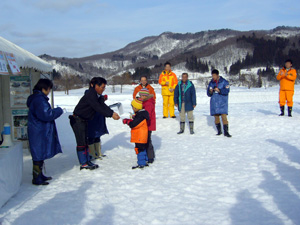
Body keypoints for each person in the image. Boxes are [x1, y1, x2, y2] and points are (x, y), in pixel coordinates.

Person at [70, 77, 120, 170]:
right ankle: (83, 164)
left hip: (84, 120)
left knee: (85, 141)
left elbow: (102, 105)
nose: (103, 89)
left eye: (104, 87)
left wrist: (111, 112)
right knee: (81, 143)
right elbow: (97, 107)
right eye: (102, 87)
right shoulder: (90, 95)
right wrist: (111, 114)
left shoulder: (97, 95)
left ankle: (87, 160)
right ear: (96, 86)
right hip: (77, 120)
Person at [27, 79, 63, 185]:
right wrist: (58, 110)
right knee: (38, 154)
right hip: (39, 130)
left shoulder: (37, 98)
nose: (49, 91)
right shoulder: (39, 100)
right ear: (44, 89)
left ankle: (40, 175)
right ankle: (36, 177)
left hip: (38, 129)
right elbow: (46, 115)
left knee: (40, 153)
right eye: (49, 89)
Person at [85, 78, 109, 160]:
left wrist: (102, 99)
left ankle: (98, 152)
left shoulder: (97, 94)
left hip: (99, 117)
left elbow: (99, 103)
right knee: (91, 136)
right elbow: (95, 105)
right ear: (92, 85)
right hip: (92, 118)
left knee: (97, 135)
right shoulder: (89, 94)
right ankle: (92, 153)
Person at [123, 98, 149, 169]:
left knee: (139, 149)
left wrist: (128, 121)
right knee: (143, 148)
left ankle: (141, 163)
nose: (133, 109)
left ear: (136, 107)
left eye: (133, 107)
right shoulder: (142, 114)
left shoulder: (140, 116)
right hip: (141, 136)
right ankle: (145, 161)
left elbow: (133, 124)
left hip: (140, 136)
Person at [207, 69, 231, 138]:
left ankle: (226, 132)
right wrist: (210, 91)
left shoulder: (224, 82)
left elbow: (227, 91)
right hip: (214, 102)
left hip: (222, 102)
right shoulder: (211, 83)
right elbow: (208, 94)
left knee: (224, 117)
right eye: (212, 76)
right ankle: (219, 131)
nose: (213, 77)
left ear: (217, 75)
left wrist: (219, 90)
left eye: (214, 75)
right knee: (216, 117)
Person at [139, 88, 156, 163]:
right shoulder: (145, 102)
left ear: (146, 96)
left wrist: (140, 117)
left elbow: (147, 115)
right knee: (146, 140)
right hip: (146, 124)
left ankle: (150, 157)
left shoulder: (148, 103)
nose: (141, 97)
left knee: (148, 140)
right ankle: (147, 155)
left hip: (148, 125)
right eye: (140, 95)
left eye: (142, 95)